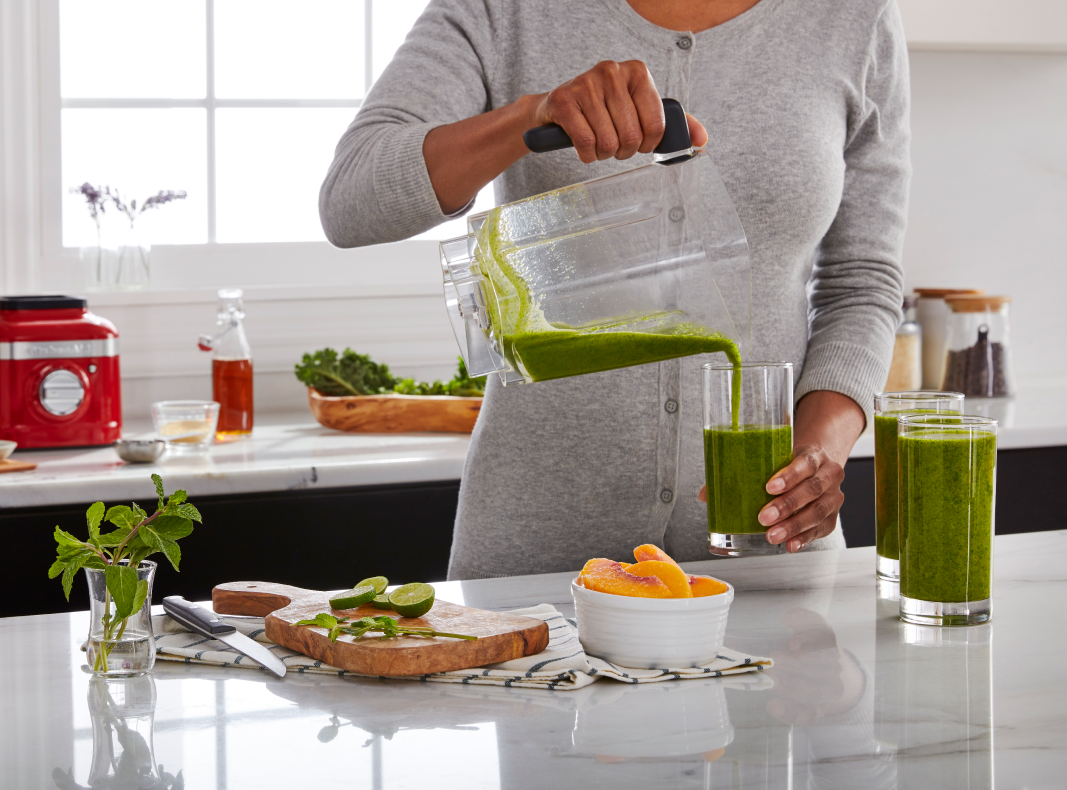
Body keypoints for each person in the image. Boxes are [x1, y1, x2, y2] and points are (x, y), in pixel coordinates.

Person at [319, 0, 908, 576]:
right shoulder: (507, 10)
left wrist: (817, 454)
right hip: (535, 565)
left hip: (767, 559)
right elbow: (350, 201)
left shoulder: (854, 16)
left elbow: (864, 282)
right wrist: (528, 118)